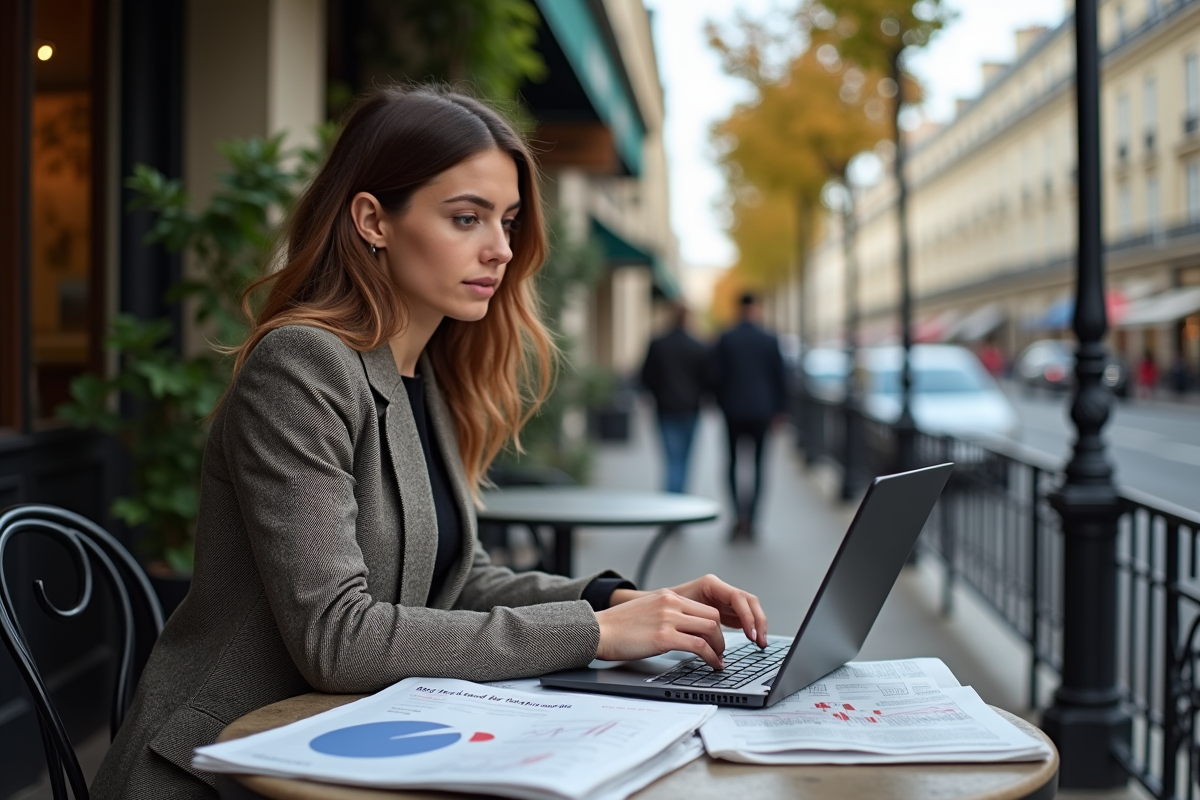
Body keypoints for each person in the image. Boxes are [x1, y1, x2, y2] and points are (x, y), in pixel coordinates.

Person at [91, 86, 767, 800]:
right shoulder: (302, 365)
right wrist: (594, 634)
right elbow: (338, 638)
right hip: (226, 765)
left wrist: (624, 602)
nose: (500, 249)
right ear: (373, 219)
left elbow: (458, 582)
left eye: (506, 221)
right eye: (466, 217)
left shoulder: (420, 374)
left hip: (355, 748)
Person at [710, 293, 787, 541]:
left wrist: (720, 404)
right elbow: (781, 378)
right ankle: (752, 519)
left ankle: (737, 516)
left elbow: (715, 376)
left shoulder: (726, 338)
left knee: (732, 463)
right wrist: (780, 411)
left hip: (733, 411)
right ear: (756, 308)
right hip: (762, 412)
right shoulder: (769, 338)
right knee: (758, 466)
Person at [639, 303, 709, 493]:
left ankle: (671, 503)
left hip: (665, 408)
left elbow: (645, 376)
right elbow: (708, 380)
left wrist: (656, 394)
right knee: (685, 460)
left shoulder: (659, 344)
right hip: (690, 409)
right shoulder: (698, 346)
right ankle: (679, 503)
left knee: (671, 459)